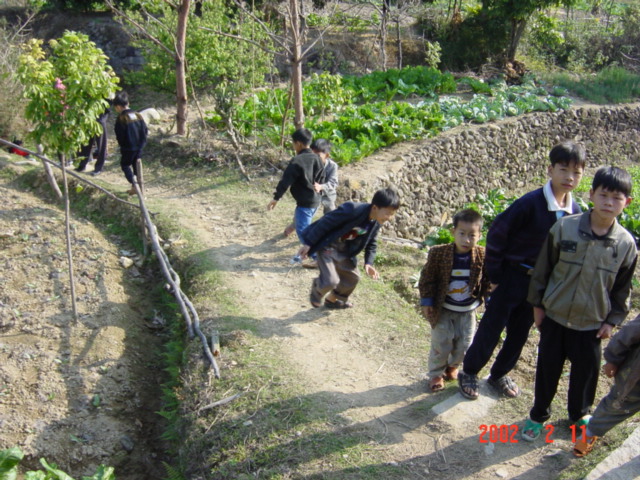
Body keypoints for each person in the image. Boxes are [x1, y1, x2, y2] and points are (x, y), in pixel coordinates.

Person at [458, 140, 586, 400]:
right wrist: (494, 276)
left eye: (576, 172)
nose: (569, 177)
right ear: (550, 170)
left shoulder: (575, 212)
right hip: (512, 276)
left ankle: (499, 374)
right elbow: (496, 235)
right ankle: (469, 371)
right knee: (493, 326)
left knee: (520, 331)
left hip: (540, 284)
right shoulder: (530, 203)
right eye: (564, 169)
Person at [522, 166, 637, 441]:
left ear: (627, 203)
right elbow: (543, 270)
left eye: (617, 198)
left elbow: (622, 289)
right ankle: (538, 415)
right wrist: (538, 306)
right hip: (555, 317)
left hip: (591, 324)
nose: (609, 203)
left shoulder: (625, 244)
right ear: (592, 195)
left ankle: (578, 415)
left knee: (586, 374)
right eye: (604, 195)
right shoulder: (565, 228)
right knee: (548, 369)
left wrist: (612, 321)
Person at [418, 208, 490, 392]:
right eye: (462, 233)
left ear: (480, 235)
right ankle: (435, 374)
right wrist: (427, 302)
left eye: (472, 235)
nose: (466, 240)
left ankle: (452, 367)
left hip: (468, 310)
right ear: (453, 232)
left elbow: (488, 280)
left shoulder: (483, 256)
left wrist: (490, 298)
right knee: (441, 343)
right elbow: (427, 279)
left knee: (465, 344)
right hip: (443, 309)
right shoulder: (438, 253)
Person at [298, 187, 400, 309]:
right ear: (375, 207)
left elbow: (372, 243)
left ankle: (332, 300)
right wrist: (309, 243)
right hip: (329, 245)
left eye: (392, 214)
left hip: (344, 250)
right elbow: (326, 222)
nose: (389, 217)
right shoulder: (352, 209)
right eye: (388, 213)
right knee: (331, 281)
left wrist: (369, 263)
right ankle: (317, 289)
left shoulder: (375, 223)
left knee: (353, 278)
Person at [572, 313, 640, 457]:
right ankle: (590, 433)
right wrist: (613, 359)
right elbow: (629, 333)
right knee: (617, 404)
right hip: (636, 378)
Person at [267, 128, 324, 256]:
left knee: (304, 234)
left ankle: (318, 258)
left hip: (305, 203)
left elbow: (285, 182)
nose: (293, 146)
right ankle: (291, 228)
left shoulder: (297, 161)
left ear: (298, 143)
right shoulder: (317, 158)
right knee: (301, 218)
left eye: (293, 143)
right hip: (316, 200)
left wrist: (276, 198)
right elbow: (322, 178)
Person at [113, 91, 148, 195]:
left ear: (118, 106)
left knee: (125, 165)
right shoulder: (138, 115)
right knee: (136, 166)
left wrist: (122, 146)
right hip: (140, 146)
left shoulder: (121, 118)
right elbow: (145, 131)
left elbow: (120, 135)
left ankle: (135, 185)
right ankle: (137, 187)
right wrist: (142, 144)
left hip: (128, 147)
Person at [76, 105, 110, 176]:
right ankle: (82, 165)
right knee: (85, 142)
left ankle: (99, 168)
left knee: (101, 144)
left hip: (101, 115)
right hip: (89, 114)